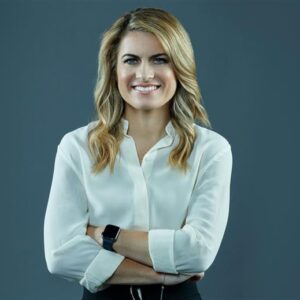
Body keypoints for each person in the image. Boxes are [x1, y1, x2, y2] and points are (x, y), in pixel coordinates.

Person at [43, 7, 233, 300]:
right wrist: (161, 275)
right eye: (131, 60)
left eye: (160, 59)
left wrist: (104, 235)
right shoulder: (77, 147)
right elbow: (60, 255)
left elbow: (197, 253)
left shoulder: (211, 150)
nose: (144, 74)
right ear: (114, 68)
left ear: (179, 68)